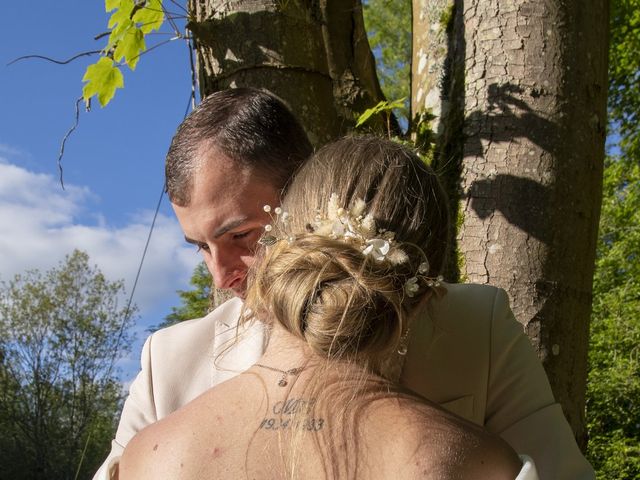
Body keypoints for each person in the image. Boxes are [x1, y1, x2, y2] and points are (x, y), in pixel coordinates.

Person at [93, 88, 593, 479]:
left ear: (306, 196)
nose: (221, 276)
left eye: (240, 235)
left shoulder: (476, 326)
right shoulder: (170, 360)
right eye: (199, 247)